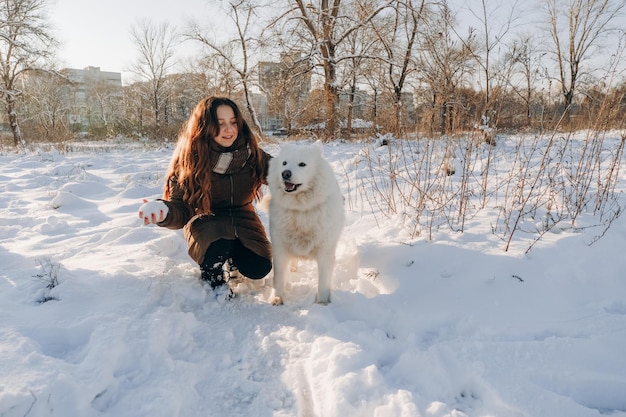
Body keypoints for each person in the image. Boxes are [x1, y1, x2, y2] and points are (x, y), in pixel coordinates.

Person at [138, 96, 273, 293]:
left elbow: (282, 173)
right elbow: (181, 208)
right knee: (216, 248)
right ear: (204, 127)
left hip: (243, 219)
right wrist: (164, 212)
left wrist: (306, 174)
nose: (229, 129)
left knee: (259, 267)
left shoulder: (252, 154)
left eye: (233, 122)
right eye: (220, 124)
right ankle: (213, 272)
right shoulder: (189, 160)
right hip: (205, 219)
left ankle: (235, 259)